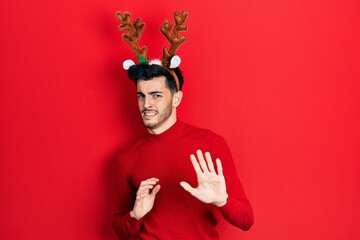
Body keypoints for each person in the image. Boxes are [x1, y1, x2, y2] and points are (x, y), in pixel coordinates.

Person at [112, 63, 254, 239]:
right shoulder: (126, 158)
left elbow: (246, 220)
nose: (146, 104)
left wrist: (222, 201)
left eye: (156, 95)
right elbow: (120, 228)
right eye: (141, 95)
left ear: (176, 98)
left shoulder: (210, 144)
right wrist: (135, 215)